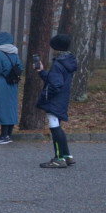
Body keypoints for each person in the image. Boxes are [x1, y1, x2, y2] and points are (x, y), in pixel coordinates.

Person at [35, 33, 78, 168]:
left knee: (55, 128)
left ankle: (59, 159)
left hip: (54, 100)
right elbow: (55, 79)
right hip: (62, 100)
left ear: (56, 48)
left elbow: (55, 84)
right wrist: (42, 72)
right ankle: (66, 155)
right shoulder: (67, 61)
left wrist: (47, 96)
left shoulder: (58, 64)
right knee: (57, 127)